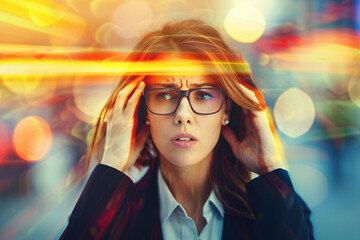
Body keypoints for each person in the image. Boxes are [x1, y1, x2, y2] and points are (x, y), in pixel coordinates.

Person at [60, 19, 314, 240]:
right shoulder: (112, 216)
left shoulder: (275, 211)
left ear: (227, 110)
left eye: (203, 95)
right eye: (165, 95)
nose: (183, 115)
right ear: (143, 108)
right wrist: (113, 163)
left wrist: (271, 168)